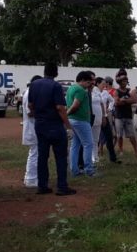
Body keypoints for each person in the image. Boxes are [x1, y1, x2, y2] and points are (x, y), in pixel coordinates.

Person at [28, 63, 77, 196]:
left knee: (42, 156)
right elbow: (60, 108)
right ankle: (62, 186)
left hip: (40, 124)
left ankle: (42, 185)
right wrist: (67, 125)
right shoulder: (56, 86)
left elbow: (30, 105)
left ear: (44, 71)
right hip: (54, 124)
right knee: (61, 156)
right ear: (56, 73)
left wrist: (37, 114)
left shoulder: (34, 84)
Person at [67, 71, 96, 177]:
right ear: (83, 80)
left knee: (75, 145)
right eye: (88, 83)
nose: (89, 86)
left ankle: (74, 170)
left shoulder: (71, 88)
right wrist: (67, 114)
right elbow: (75, 105)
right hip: (80, 120)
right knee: (88, 144)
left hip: (73, 120)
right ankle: (89, 169)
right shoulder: (81, 90)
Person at [22, 75, 42, 188]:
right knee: (35, 153)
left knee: (34, 153)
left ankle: (29, 178)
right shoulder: (30, 93)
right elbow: (30, 112)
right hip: (32, 127)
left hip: (32, 127)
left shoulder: (30, 92)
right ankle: (31, 179)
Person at [113, 76, 137, 160]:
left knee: (132, 135)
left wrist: (123, 100)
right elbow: (116, 103)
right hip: (119, 116)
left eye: (126, 81)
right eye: (124, 81)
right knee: (119, 135)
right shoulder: (116, 91)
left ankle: (136, 150)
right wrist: (126, 101)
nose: (125, 83)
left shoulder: (129, 90)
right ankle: (121, 150)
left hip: (128, 115)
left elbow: (134, 100)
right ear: (120, 82)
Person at [98, 77, 120, 164]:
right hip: (95, 117)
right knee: (95, 138)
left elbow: (112, 101)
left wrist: (109, 109)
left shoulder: (105, 93)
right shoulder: (93, 93)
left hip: (105, 117)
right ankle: (95, 156)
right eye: (102, 84)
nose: (104, 86)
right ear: (97, 84)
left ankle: (113, 157)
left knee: (109, 136)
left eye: (105, 84)